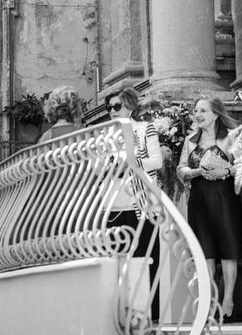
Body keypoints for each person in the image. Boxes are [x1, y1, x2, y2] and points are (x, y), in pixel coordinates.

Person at [176, 96, 242, 321]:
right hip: (199, 199)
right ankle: (208, 301)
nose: (198, 114)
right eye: (196, 110)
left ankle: (228, 299)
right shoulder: (190, 141)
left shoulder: (230, 137)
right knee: (205, 252)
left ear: (215, 113)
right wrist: (197, 172)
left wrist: (224, 171)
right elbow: (181, 169)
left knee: (227, 249)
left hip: (224, 199)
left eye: (203, 110)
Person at [105, 87, 163, 318]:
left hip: (142, 204)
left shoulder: (144, 128)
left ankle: (151, 312)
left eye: (116, 106)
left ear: (129, 105)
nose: (112, 111)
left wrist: (131, 163)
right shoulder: (105, 135)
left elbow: (157, 161)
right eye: (109, 107)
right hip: (115, 203)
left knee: (146, 257)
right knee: (116, 259)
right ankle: (121, 312)